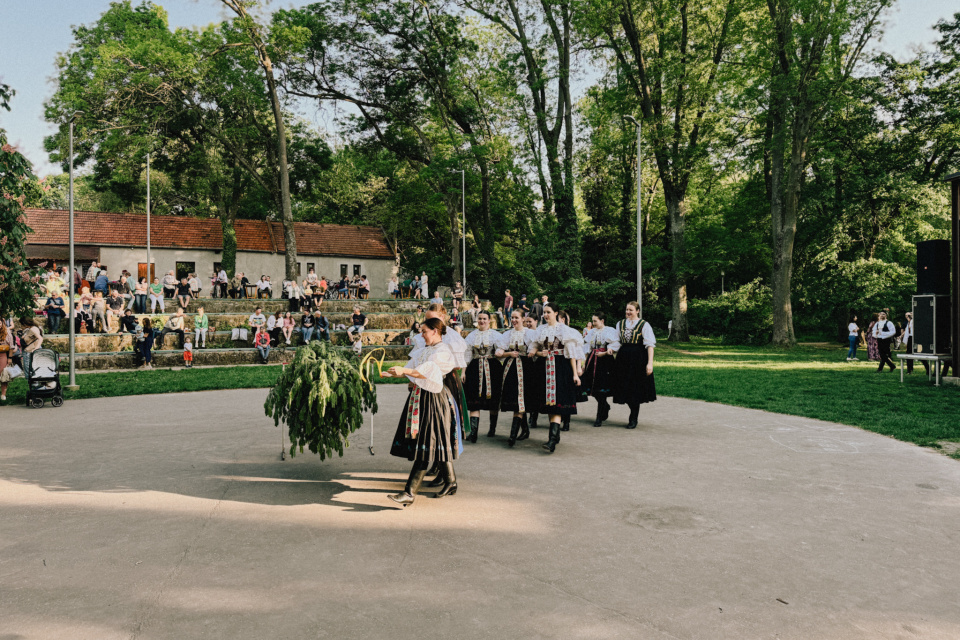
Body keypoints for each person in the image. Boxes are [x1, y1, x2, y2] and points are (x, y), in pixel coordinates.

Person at [383, 317, 461, 506]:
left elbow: (426, 370)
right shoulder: (425, 350)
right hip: (421, 397)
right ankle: (451, 481)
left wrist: (405, 372)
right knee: (435, 440)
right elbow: (412, 367)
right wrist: (393, 372)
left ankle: (409, 493)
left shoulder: (442, 351)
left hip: (434, 399)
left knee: (426, 443)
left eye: (424, 331)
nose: (422, 334)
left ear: (435, 331)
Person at [528, 303, 581, 453]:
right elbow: (534, 348)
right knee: (549, 404)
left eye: (548, 312)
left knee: (557, 402)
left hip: (561, 367)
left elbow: (571, 354)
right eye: (544, 312)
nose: (545, 315)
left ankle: (551, 440)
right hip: (544, 368)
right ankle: (555, 436)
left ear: (556, 313)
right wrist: (538, 353)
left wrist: (575, 374)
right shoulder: (540, 330)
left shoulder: (565, 331)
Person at [612, 301, 657, 429]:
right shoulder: (620, 324)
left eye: (631, 310)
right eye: (627, 310)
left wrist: (650, 363)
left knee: (635, 389)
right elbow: (616, 342)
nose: (628, 312)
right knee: (623, 387)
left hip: (638, 359)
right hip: (623, 359)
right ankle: (632, 411)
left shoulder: (644, 325)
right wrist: (610, 350)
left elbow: (650, 345)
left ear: (637, 311)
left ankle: (633, 417)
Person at [496, 309, 537, 446]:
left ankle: (513, 436)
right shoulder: (507, 334)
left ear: (523, 319)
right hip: (511, 368)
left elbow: (536, 346)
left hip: (527, 368)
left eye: (516, 318)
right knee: (516, 399)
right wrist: (505, 353)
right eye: (512, 317)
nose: (513, 320)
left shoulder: (530, 333)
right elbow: (500, 351)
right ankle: (524, 430)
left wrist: (533, 351)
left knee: (522, 398)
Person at [464, 310, 504, 440]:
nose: (482, 321)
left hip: (492, 368)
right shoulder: (471, 336)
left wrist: (499, 351)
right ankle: (473, 433)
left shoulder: (496, 335)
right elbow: (467, 355)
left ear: (489, 320)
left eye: (484, 319)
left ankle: (492, 429)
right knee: (474, 399)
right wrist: (463, 372)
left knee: (493, 398)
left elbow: (501, 350)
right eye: (480, 318)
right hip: (475, 368)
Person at [580, 313, 621, 428]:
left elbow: (615, 344)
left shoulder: (609, 331)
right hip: (593, 360)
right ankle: (605, 406)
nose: (593, 323)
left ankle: (599, 416)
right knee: (592, 387)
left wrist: (606, 351)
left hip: (605, 362)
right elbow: (588, 347)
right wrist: (584, 364)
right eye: (592, 321)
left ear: (602, 320)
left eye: (595, 321)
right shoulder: (592, 332)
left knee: (601, 389)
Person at [0, 320, 15, 402]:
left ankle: (3, 394)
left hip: (2, 354)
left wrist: (10, 358)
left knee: (3, 374)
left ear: (2, 324)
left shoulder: (7, 332)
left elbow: (11, 346)